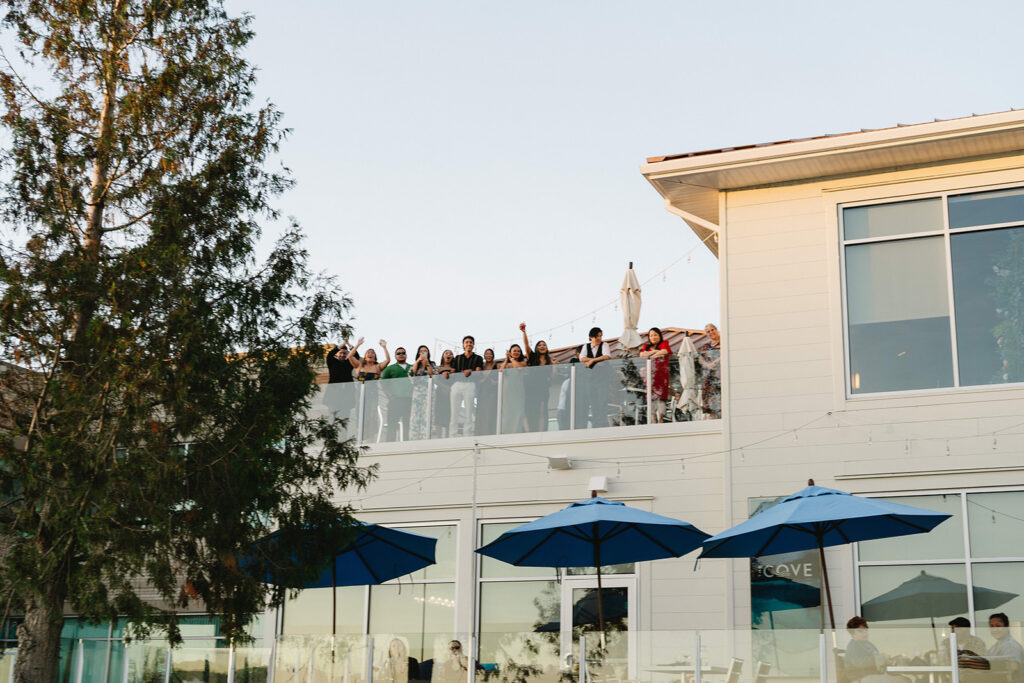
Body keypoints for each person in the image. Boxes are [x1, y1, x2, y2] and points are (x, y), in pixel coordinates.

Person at [348, 338, 390, 440]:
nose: (370, 354)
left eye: (372, 353)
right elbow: (350, 356)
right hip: (361, 394)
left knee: (371, 415)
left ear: (375, 356)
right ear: (365, 356)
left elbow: (388, 360)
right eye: (368, 353)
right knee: (360, 415)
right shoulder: (359, 365)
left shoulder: (377, 367)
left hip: (373, 394)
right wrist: (357, 345)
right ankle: (360, 438)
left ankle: (370, 438)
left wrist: (384, 347)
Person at [521, 323, 557, 432]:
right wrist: (524, 332)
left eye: (544, 345)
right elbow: (526, 346)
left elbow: (553, 377)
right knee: (530, 409)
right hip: (531, 388)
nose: (542, 346)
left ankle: (541, 431)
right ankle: (529, 431)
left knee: (542, 410)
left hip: (543, 389)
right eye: (540, 345)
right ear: (537, 348)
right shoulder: (532, 357)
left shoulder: (549, 361)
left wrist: (554, 365)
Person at [579, 327, 615, 427]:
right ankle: (596, 423)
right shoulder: (585, 346)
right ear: (591, 337)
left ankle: (603, 423)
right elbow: (582, 358)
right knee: (593, 401)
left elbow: (607, 356)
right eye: (596, 336)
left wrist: (592, 361)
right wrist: (595, 360)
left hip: (602, 378)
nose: (599, 338)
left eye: (600, 336)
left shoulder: (604, 345)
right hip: (590, 378)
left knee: (602, 401)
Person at [449, 335, 483, 437]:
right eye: (467, 342)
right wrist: (446, 372)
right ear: (463, 345)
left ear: (473, 345)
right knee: (454, 411)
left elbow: (478, 372)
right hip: (457, 384)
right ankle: (452, 434)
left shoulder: (478, 358)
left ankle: (467, 434)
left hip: (470, 384)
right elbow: (453, 372)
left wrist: (470, 371)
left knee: (469, 411)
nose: (469, 344)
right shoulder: (458, 358)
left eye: (471, 342)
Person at [638, 326, 672, 423]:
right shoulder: (646, 346)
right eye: (651, 336)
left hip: (661, 376)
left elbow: (665, 351)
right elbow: (641, 355)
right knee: (651, 398)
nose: (653, 337)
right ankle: (653, 419)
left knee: (661, 398)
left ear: (659, 336)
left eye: (655, 335)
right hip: (650, 377)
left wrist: (649, 353)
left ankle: (660, 419)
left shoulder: (664, 343)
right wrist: (656, 352)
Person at [381, 347, 413, 441]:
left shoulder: (411, 367)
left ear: (406, 355)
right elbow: (383, 382)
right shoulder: (390, 368)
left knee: (408, 424)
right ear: (395, 356)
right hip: (395, 400)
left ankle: (407, 445)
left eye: (403, 352)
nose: (401, 354)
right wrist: (389, 395)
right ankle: (390, 445)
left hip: (409, 400)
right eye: (398, 353)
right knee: (392, 424)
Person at [408, 346, 436, 441]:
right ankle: (414, 438)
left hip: (429, 392)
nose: (423, 353)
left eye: (425, 351)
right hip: (417, 393)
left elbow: (434, 376)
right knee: (415, 416)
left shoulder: (432, 364)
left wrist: (427, 364)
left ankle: (427, 437)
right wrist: (418, 361)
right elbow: (412, 375)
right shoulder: (415, 365)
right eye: (421, 351)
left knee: (428, 414)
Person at [500, 343, 528, 434]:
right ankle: (506, 433)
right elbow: (500, 371)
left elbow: (518, 367)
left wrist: (511, 359)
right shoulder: (507, 364)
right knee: (507, 413)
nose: (516, 352)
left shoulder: (523, 362)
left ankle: (517, 432)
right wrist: (506, 359)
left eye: (518, 351)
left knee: (518, 412)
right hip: (507, 393)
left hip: (518, 392)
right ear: (510, 352)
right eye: (514, 351)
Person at [987, 613, 1024, 681]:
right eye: (992, 626)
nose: (995, 629)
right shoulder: (993, 648)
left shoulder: (1011, 645)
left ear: (1006, 627)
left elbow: (1014, 667)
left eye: (998, 626)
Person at [696, 323, 721, 419]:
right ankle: (713, 419)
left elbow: (725, 353)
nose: (711, 332)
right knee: (710, 400)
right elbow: (700, 358)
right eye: (708, 332)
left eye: (712, 330)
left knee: (721, 398)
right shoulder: (706, 346)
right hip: (709, 377)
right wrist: (707, 365)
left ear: (716, 329)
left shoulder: (723, 342)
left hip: (720, 375)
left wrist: (715, 362)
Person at [475, 348, 500, 436]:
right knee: (481, 412)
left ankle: (490, 432)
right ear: (484, 356)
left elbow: (500, 378)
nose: (488, 355)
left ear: (493, 355)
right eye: (486, 354)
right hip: (482, 392)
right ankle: (481, 433)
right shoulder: (481, 366)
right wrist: (480, 381)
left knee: (490, 411)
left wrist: (494, 382)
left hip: (492, 392)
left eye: (490, 354)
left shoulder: (496, 365)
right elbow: (477, 378)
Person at [433, 349, 456, 438]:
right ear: (443, 356)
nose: (448, 355)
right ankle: (438, 436)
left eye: (451, 354)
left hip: (452, 393)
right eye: (446, 353)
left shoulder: (455, 369)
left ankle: (447, 436)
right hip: (440, 393)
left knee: (449, 415)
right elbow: (435, 380)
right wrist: (444, 387)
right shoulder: (438, 368)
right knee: (439, 414)